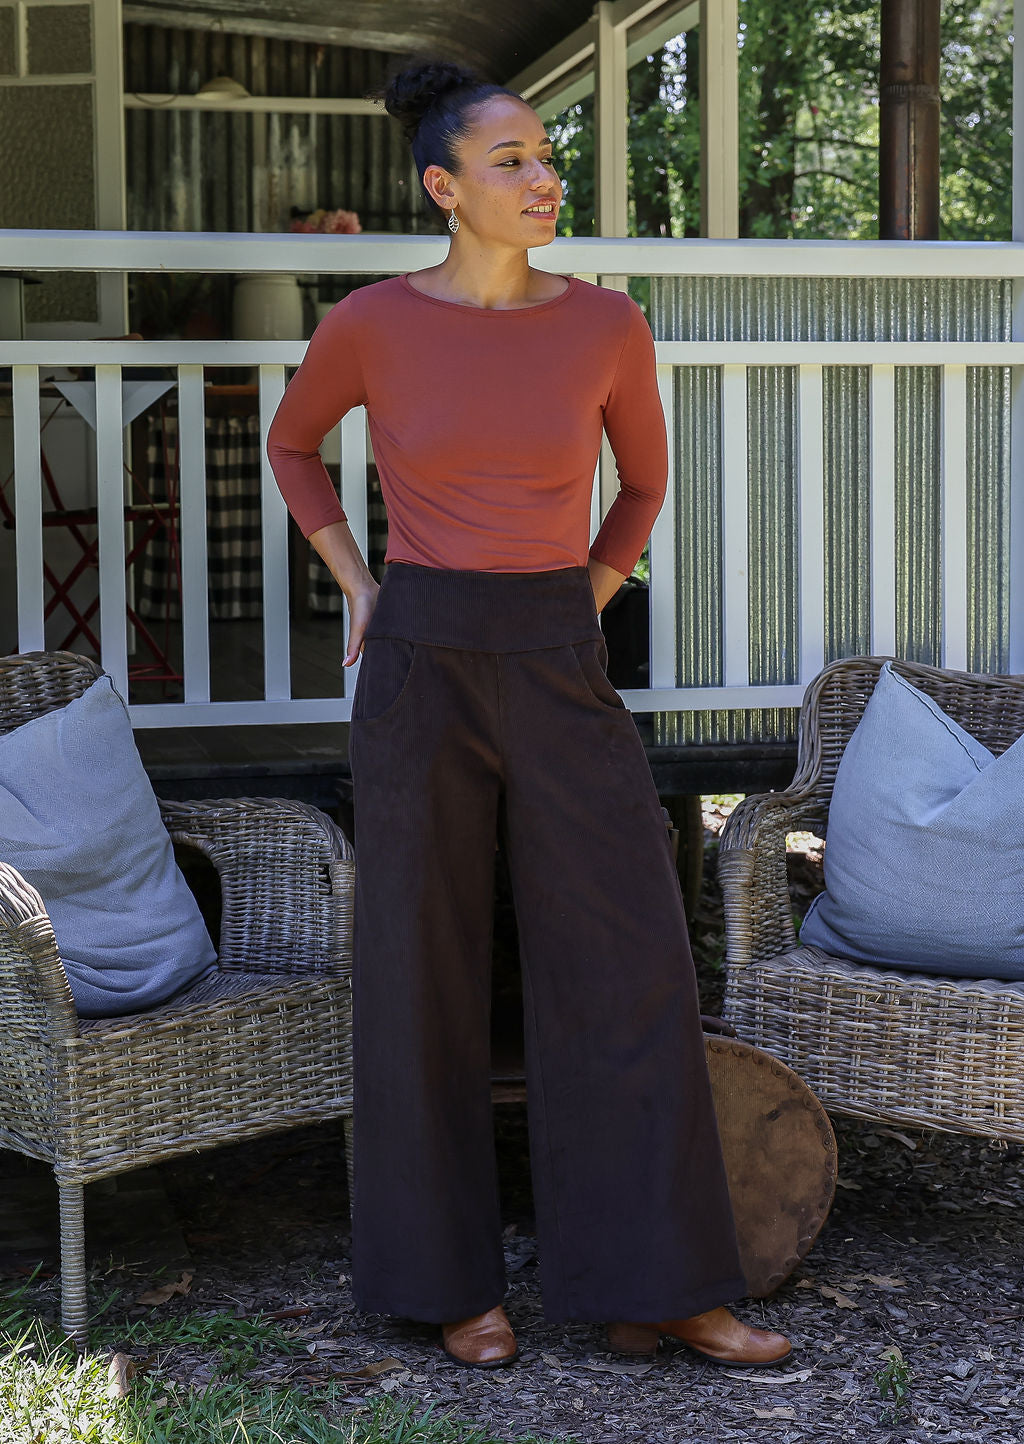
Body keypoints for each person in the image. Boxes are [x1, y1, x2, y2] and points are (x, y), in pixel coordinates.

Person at [266, 56, 791, 1374]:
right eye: (511, 161)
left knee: (628, 960)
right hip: (423, 651)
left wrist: (584, 599)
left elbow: (641, 488)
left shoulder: (604, 325)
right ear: (446, 187)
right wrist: (364, 585)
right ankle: (450, 1284)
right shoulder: (374, 323)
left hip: (558, 645)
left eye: (545, 154)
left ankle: (655, 1281)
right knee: (422, 966)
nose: (542, 174)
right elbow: (292, 443)